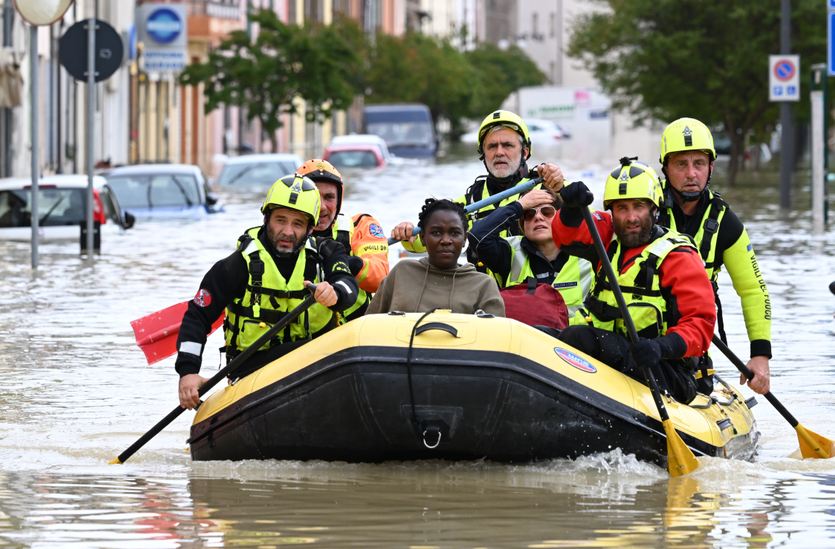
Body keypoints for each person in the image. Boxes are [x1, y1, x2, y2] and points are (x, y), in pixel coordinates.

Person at [175, 174, 358, 409]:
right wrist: (188, 372)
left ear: (310, 228)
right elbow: (198, 316)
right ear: (266, 219)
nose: (287, 231)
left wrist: (336, 293)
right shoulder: (238, 265)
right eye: (280, 220)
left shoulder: (327, 253)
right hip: (254, 371)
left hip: (312, 362)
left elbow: (347, 284)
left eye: (297, 224)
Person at [552, 158, 716, 403]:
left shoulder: (678, 257)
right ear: (612, 212)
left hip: (664, 367)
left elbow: (700, 326)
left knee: (578, 338)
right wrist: (571, 210)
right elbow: (565, 236)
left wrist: (661, 347)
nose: (630, 218)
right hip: (617, 354)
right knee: (546, 336)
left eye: (638, 206)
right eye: (622, 208)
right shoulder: (608, 237)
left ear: (654, 209)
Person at [658, 117, 772, 395]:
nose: (691, 174)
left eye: (698, 164)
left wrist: (760, 355)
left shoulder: (726, 223)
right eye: (681, 164)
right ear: (665, 168)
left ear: (711, 167)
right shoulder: (643, 210)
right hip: (641, 333)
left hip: (690, 344)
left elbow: (753, 290)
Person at [390, 110, 565, 262]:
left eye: (507, 145)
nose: (499, 152)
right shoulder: (470, 201)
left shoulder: (547, 188)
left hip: (535, 291)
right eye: (491, 146)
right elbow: (424, 242)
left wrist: (560, 186)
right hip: (483, 292)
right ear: (483, 154)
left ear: (524, 152)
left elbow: (580, 209)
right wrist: (409, 235)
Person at [467, 187, 593, 322]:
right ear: (522, 225)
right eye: (529, 214)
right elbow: (478, 235)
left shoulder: (587, 252)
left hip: (572, 340)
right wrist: (519, 206)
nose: (538, 217)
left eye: (547, 212)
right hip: (525, 340)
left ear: (562, 218)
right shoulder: (508, 252)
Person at [367, 198, 505, 316]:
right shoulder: (401, 273)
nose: (446, 240)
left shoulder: (483, 285)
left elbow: (497, 339)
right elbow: (368, 325)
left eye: (454, 233)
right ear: (422, 238)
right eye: (436, 233)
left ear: (464, 239)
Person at [297, 158, 389, 321]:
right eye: (315, 197)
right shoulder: (285, 235)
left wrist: (346, 262)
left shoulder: (361, 225)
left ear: (339, 200)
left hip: (356, 329)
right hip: (310, 334)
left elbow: (381, 278)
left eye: (329, 197)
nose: (323, 207)